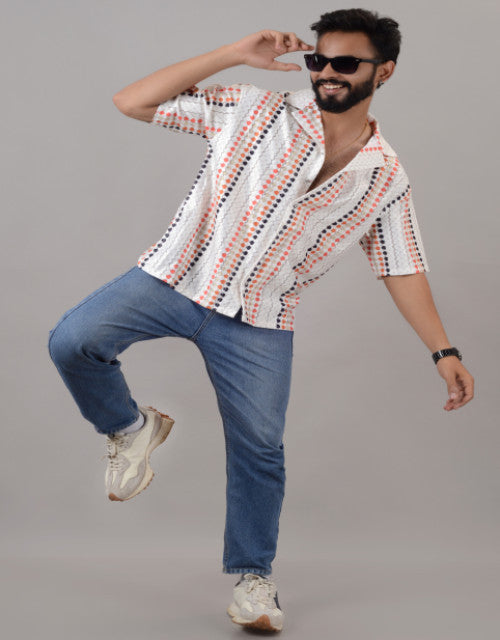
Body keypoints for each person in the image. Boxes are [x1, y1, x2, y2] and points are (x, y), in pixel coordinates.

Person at [48, 8, 474, 633]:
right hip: (174, 278)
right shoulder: (254, 108)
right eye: (318, 60)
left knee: (259, 449)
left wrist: (444, 351)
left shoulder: (386, 176)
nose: (327, 73)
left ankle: (254, 581)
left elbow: (400, 265)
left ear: (383, 71)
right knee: (73, 341)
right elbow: (131, 101)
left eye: (346, 62)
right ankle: (130, 428)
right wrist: (231, 53)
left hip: (260, 318)